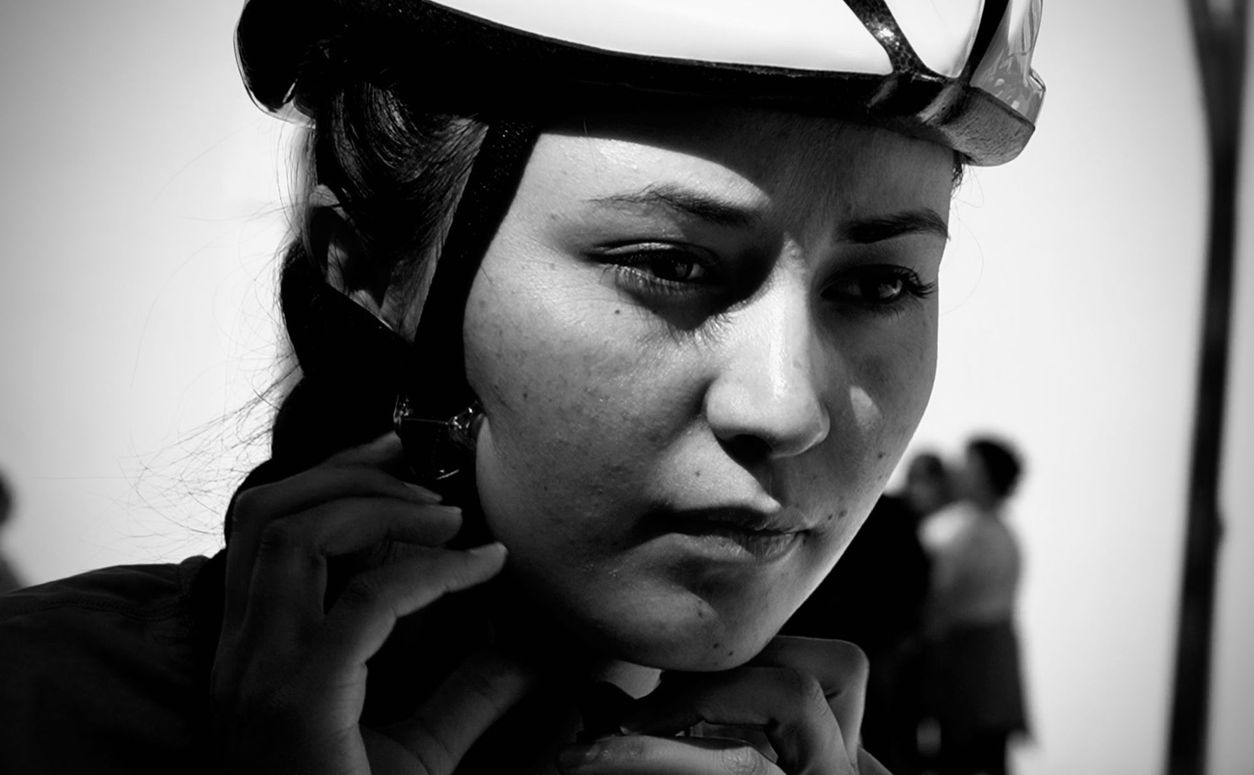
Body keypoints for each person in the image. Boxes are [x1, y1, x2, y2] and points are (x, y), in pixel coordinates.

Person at [0, 2, 1045, 772]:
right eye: (667, 263)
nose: (784, 405)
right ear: (363, 264)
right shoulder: (40, 707)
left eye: (881, 283)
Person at [783, 449, 952, 774]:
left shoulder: (869, 511)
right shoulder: (897, 516)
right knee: (884, 734)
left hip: (839, 637)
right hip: (874, 641)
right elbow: (916, 583)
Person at [918, 436, 1030, 775]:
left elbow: (941, 602)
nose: (958, 472)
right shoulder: (988, 532)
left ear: (984, 477)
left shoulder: (981, 536)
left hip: (975, 668)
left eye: (968, 466)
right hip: (979, 665)